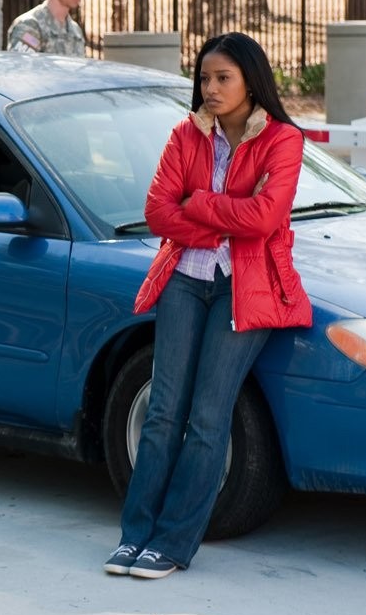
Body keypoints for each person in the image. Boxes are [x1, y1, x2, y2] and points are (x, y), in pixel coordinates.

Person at [107, 31, 311, 580]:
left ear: (250, 80)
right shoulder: (184, 135)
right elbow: (157, 212)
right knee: (163, 412)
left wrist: (199, 204)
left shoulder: (283, 141)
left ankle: (173, 543)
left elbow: (268, 218)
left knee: (207, 416)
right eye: (204, 78)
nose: (211, 88)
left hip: (245, 289)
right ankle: (134, 536)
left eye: (223, 78)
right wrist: (219, 217)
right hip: (185, 280)